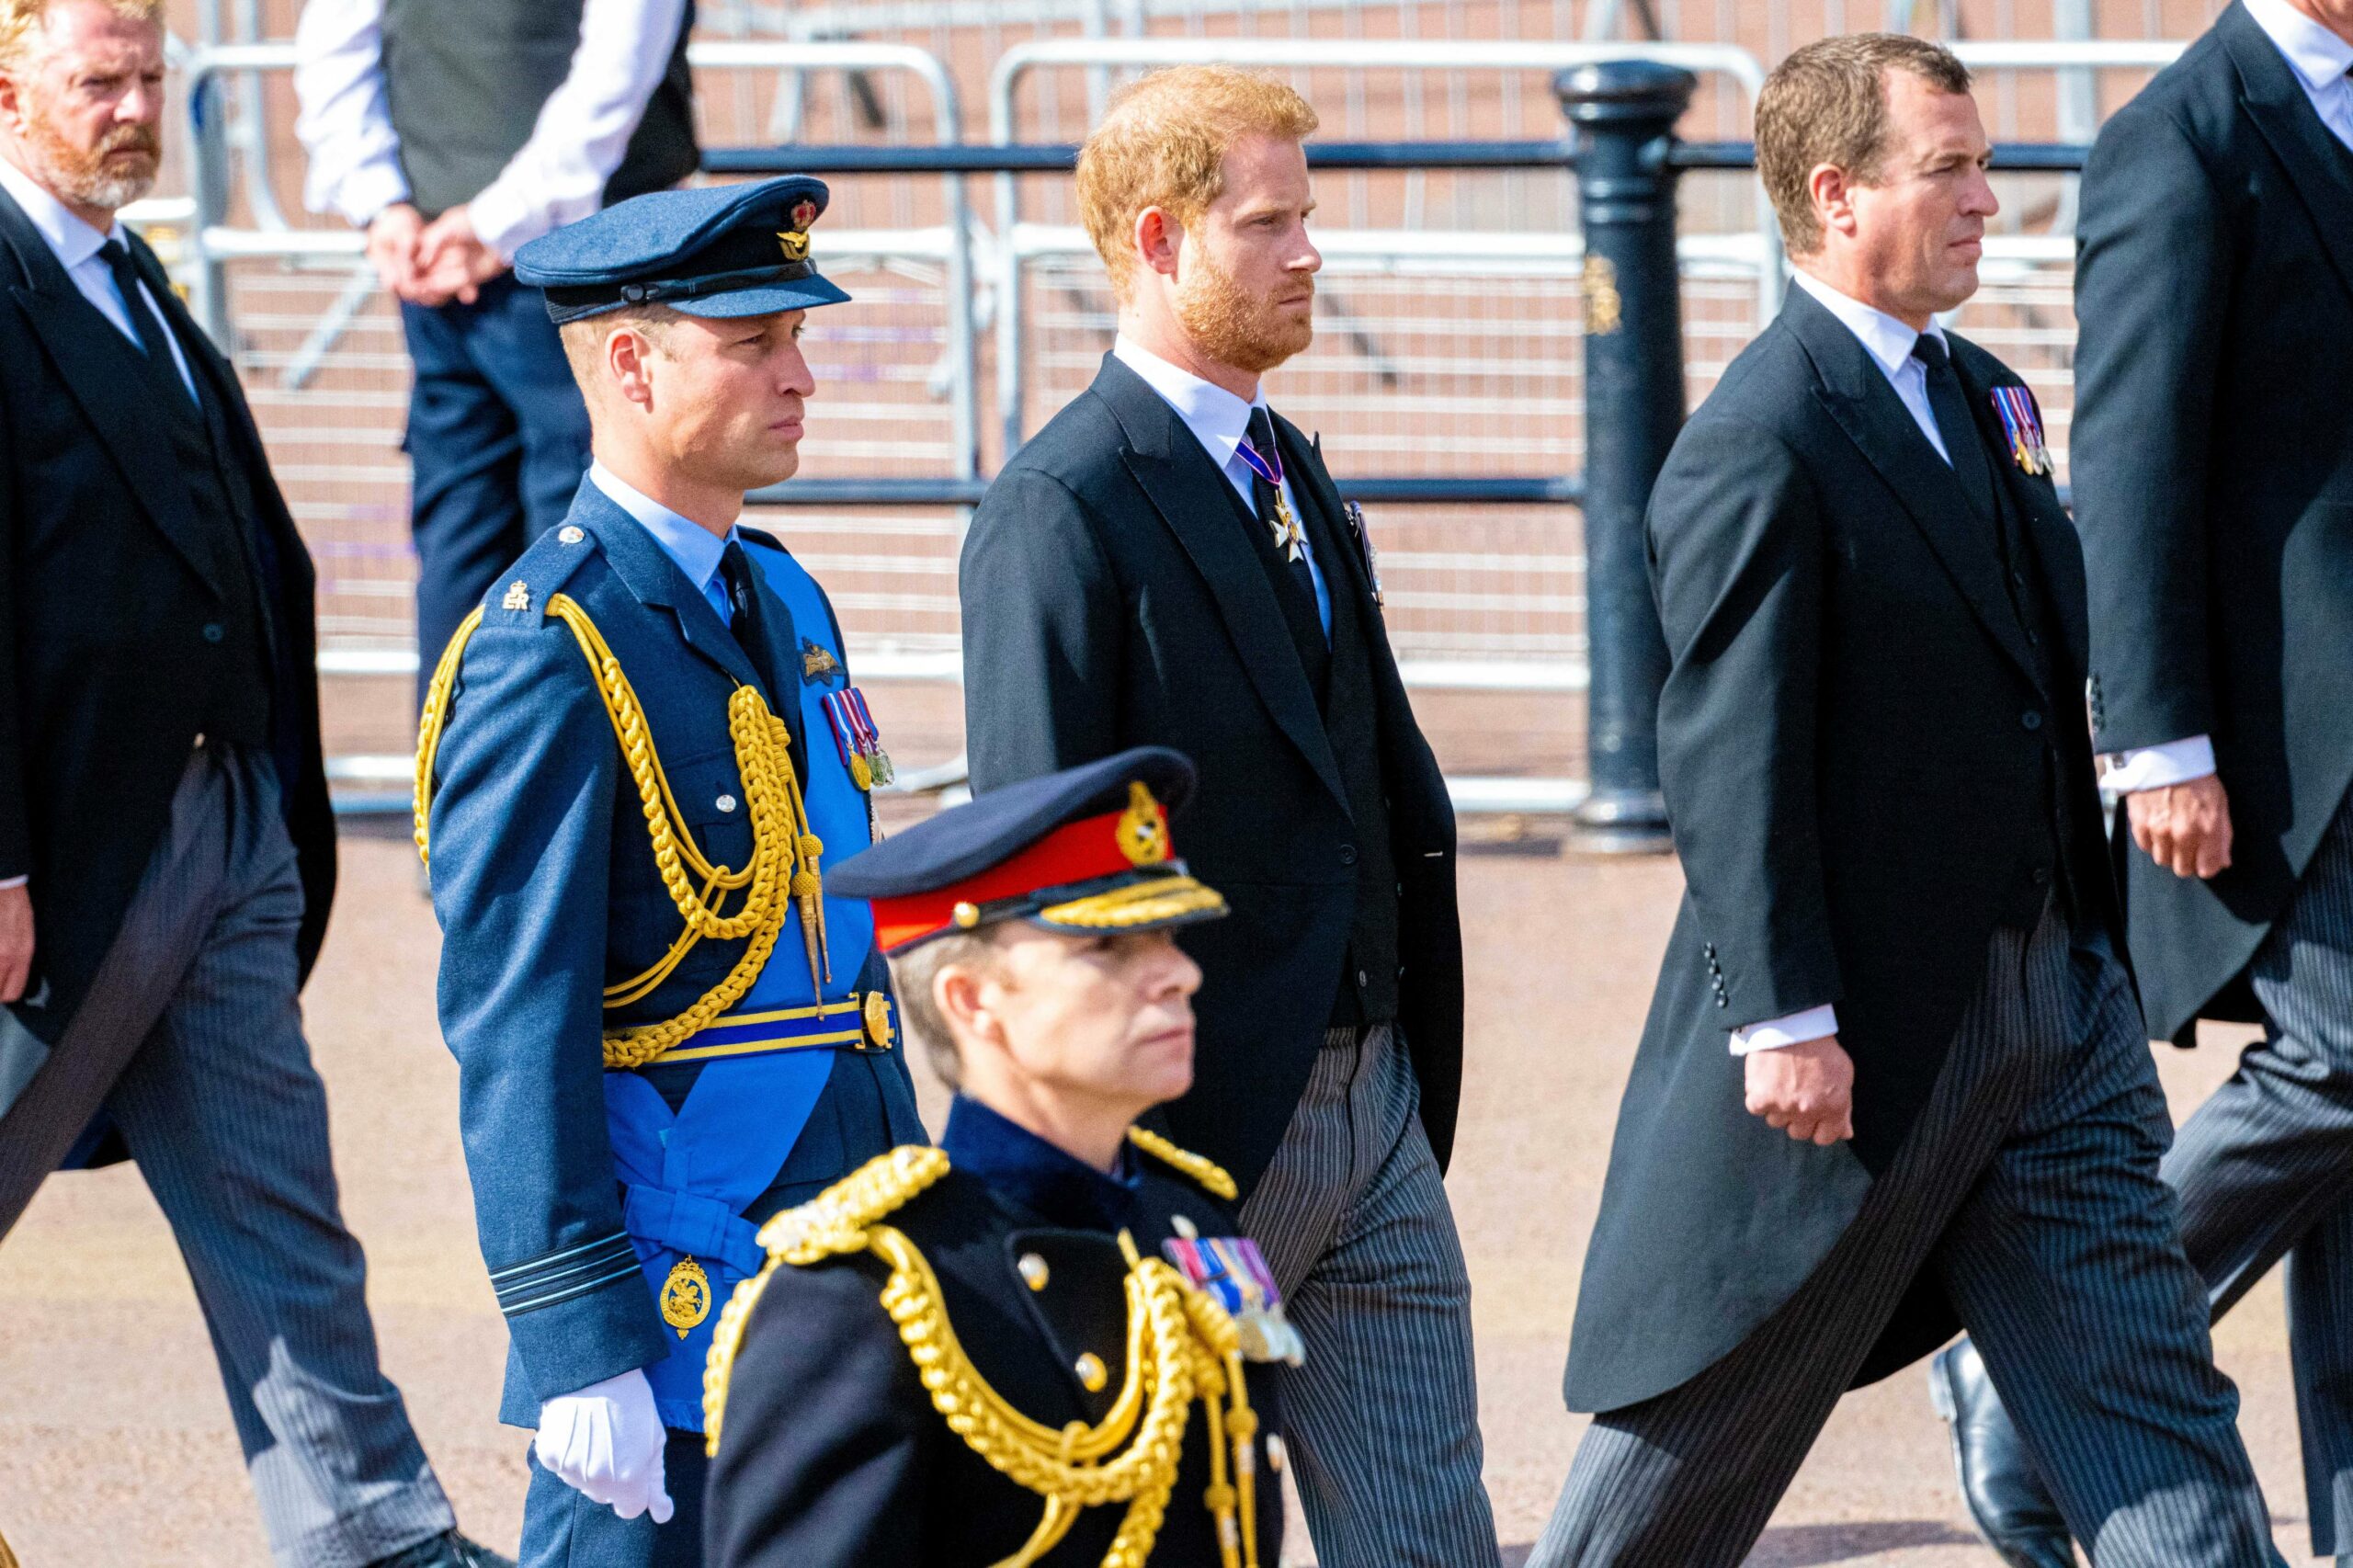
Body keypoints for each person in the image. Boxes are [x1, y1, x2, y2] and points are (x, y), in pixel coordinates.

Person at [1527, 35, 2287, 1568]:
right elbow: (1729, 759)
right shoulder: (1763, 437)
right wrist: (1786, 1019)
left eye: (1986, 165)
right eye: (1949, 169)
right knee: (1692, 1452)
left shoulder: (1985, 394)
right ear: (1834, 194)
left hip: (2055, 1012)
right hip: (1869, 1039)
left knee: (2156, 1416)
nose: (1988, 201)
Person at [955, 64, 1492, 1568]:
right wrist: (1101, 1167)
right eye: (1267, 223)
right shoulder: (1064, 504)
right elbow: (1036, 859)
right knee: (1155, 1539)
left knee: (1431, 1537)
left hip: (1372, 1099)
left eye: (1305, 216)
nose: (1308, 251)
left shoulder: (1286, 467)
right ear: (1156, 239)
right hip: (1197, 1129)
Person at [0, 1, 505, 1564]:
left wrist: (266, 798)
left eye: (153, 77)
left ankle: (376, 1534)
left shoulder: (127, 273)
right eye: (100, 81)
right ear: (3, 84)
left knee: (281, 1219)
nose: (136, 107)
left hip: (214, 828)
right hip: (63, 854)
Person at [415, 175, 923, 1568]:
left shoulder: (787, 595)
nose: (801, 375)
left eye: (798, 338)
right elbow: (518, 1027)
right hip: (682, 1282)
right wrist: (576, 1342)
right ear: (632, 363)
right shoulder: (550, 647)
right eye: (756, 343)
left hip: (847, 1246)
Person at [1923, 2, 2353, 1563]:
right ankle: (2030, 1340)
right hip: (2280, 744)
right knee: (2343, 1060)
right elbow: (2136, 445)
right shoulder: (2182, 133)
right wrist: (2157, 737)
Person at [703, 746, 1290, 1567]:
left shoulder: (1185, 1222)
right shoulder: (857, 1299)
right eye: (1108, 949)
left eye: (1167, 935)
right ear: (973, 1002)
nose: (1179, 973)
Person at [293, 0, 698, 715]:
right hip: (576, 254)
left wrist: (384, 205)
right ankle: (569, 794)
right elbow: (618, 67)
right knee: (589, 533)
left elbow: (333, 46)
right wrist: (487, 222)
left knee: (467, 528)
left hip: (443, 242)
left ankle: (459, 796)